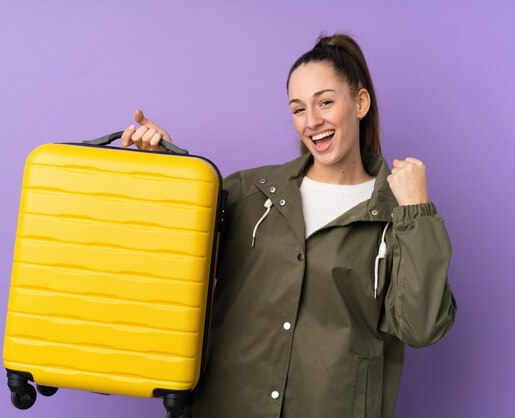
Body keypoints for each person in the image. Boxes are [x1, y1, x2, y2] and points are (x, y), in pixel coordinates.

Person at [120, 33, 457, 418]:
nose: (312, 122)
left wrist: (415, 211)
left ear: (360, 103)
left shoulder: (399, 215)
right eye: (298, 109)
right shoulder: (249, 191)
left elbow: (422, 327)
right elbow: (168, 266)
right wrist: (170, 170)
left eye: (325, 102)